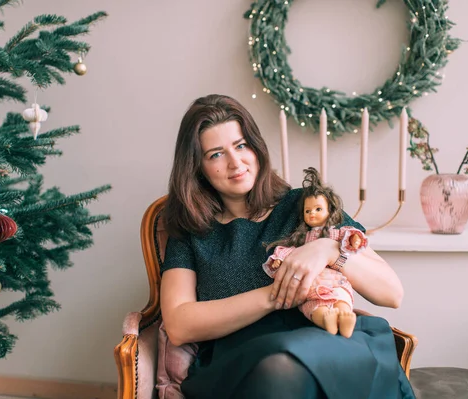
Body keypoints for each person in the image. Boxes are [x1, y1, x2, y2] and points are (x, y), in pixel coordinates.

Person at [160, 94, 415, 399]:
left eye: (241, 146)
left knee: (296, 361)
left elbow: (391, 293)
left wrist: (330, 249)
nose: (235, 162)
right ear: (197, 167)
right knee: (281, 363)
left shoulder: (306, 204)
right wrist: (276, 294)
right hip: (240, 361)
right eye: (216, 154)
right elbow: (179, 324)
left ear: (256, 147)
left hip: (329, 339)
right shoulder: (191, 230)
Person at [263, 167, 368, 338]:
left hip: (335, 280)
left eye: (318, 209)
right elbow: (290, 250)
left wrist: (354, 238)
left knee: (342, 297)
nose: (312, 214)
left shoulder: (335, 233)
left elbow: (349, 237)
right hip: (311, 285)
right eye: (308, 211)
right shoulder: (302, 237)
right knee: (313, 307)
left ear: (330, 210)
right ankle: (326, 320)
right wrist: (279, 259)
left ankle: (344, 317)